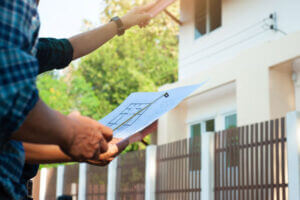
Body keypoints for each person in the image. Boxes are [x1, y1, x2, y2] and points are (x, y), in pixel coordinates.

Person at [0, 0, 156, 199]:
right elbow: (8, 97)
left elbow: (67, 49)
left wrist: (121, 23)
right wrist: (72, 134)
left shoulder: (23, 47)